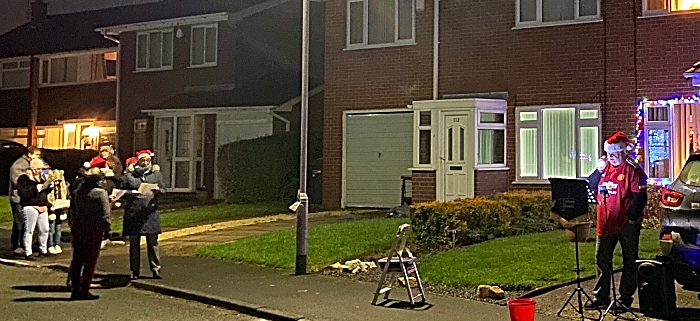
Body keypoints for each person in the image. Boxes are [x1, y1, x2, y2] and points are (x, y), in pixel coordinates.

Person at [585, 132, 648, 310]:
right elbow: (590, 185)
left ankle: (625, 298)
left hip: (625, 224)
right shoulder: (604, 167)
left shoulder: (633, 170)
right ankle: (601, 297)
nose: (611, 157)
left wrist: (631, 220)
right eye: (608, 153)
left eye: (614, 153)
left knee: (629, 261)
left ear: (623, 152)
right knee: (601, 260)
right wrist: (598, 170)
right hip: (604, 223)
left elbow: (639, 198)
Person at [69, 158, 111, 300]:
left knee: (77, 259)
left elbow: (74, 209)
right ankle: (84, 289)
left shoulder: (79, 191)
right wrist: (108, 229)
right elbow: (106, 214)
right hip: (95, 228)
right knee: (90, 260)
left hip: (79, 226)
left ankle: (75, 289)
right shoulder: (100, 193)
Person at [121, 150, 165, 280]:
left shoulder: (156, 174)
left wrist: (157, 191)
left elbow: (163, 190)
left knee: (153, 243)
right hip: (134, 213)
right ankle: (134, 271)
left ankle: (156, 270)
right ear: (137, 161)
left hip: (150, 213)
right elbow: (121, 191)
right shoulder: (130, 176)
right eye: (142, 160)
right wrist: (131, 193)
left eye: (147, 160)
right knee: (134, 244)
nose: (145, 163)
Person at [16, 158, 52, 260]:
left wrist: (49, 187)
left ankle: (43, 249)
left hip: (42, 206)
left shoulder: (42, 178)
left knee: (45, 229)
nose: (39, 171)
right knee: (29, 230)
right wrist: (36, 188)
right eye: (37, 169)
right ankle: (28, 252)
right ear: (32, 169)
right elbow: (23, 193)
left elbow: (44, 192)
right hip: (31, 206)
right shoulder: (24, 179)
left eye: (41, 169)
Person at [9, 146, 41, 254]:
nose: (39, 157)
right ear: (30, 154)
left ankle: (27, 243)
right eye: (37, 155)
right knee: (20, 222)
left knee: (27, 222)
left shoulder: (33, 164)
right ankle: (17, 245)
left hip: (28, 198)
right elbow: (17, 182)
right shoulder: (19, 165)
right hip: (18, 198)